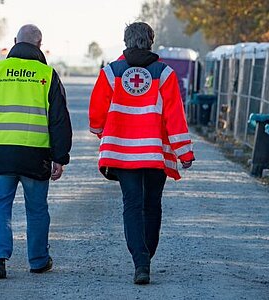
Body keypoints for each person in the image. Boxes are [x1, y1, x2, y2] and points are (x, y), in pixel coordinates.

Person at [88, 22, 195, 285]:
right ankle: (147, 256)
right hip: (156, 154)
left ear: (126, 41)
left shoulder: (111, 73)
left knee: (132, 205)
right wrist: (184, 152)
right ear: (150, 41)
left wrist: (101, 130)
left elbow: (96, 116)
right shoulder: (165, 73)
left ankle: (140, 261)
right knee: (152, 205)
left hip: (123, 154)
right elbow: (175, 116)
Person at [0, 24, 72, 279]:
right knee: (36, 209)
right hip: (35, 155)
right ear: (39, 44)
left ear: (15, 41)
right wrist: (60, 156)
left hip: (0, 153)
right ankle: (38, 261)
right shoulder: (47, 74)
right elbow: (59, 119)